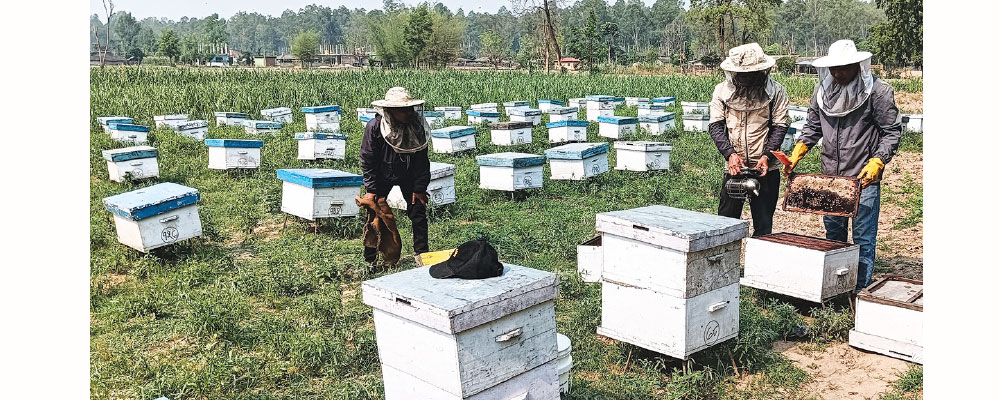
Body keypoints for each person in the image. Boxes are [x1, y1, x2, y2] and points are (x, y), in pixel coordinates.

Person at [784, 39, 901, 292]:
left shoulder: (878, 92)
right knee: (834, 237)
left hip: (863, 178)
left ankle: (860, 291)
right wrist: (797, 153)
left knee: (863, 239)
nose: (837, 73)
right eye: (833, 68)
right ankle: (837, 289)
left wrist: (878, 161)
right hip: (830, 179)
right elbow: (813, 127)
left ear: (858, 65)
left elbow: (891, 132)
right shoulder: (823, 92)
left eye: (843, 68)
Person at [709, 42, 790, 237]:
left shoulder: (777, 91)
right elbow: (715, 126)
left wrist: (766, 156)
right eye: (743, 74)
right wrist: (730, 155)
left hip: (766, 169)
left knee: (763, 224)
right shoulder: (721, 91)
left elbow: (780, 127)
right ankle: (724, 263)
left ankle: (759, 265)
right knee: (725, 222)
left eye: (751, 73)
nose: (747, 77)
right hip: (735, 167)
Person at [360, 87, 432, 265]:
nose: (408, 113)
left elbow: (422, 159)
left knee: (418, 210)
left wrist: (420, 187)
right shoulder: (375, 127)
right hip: (382, 175)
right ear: (390, 111)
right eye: (403, 110)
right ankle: (371, 259)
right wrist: (371, 189)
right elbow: (368, 159)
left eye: (410, 109)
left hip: (410, 174)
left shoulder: (417, 125)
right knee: (373, 214)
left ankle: (421, 255)